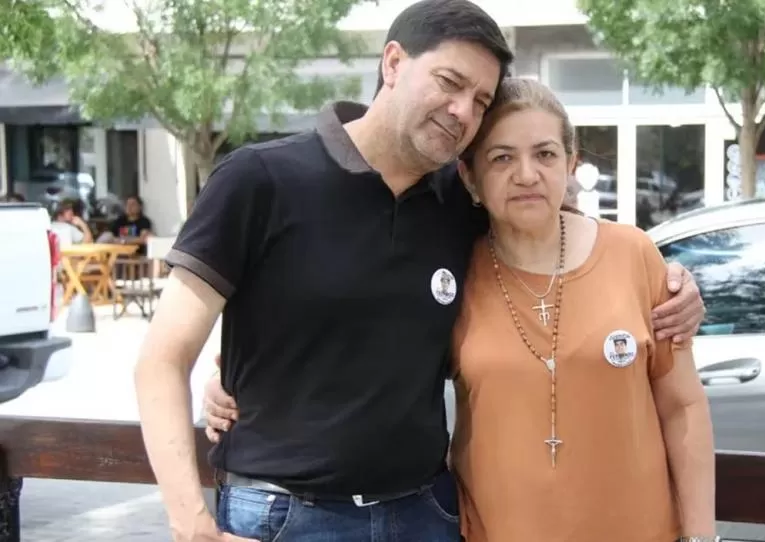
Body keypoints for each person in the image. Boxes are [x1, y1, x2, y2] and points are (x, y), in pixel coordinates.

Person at [134, 1, 705, 541]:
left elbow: (557, 227)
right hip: (285, 515)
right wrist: (190, 521)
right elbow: (162, 359)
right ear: (393, 63)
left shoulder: (460, 202)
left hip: (424, 512)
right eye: (449, 82)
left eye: (480, 100)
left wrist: (676, 284)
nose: (462, 111)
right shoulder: (258, 180)